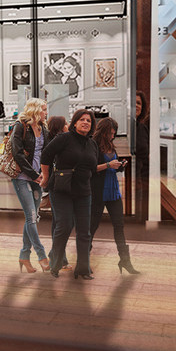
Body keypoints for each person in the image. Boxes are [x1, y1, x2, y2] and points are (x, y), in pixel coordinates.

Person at [43, 108, 98, 278]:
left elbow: (93, 168)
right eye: (82, 119)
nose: (85, 122)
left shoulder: (92, 144)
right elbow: (46, 154)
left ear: (92, 125)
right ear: (74, 122)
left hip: (83, 191)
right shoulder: (64, 138)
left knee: (84, 231)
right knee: (65, 225)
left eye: (88, 120)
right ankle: (55, 263)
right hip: (62, 190)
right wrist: (46, 177)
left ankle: (83, 269)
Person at [7, 99, 49, 272]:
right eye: (44, 109)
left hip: (38, 177)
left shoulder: (43, 129)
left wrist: (44, 175)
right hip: (23, 177)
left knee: (32, 217)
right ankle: (41, 255)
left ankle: (24, 255)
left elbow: (46, 153)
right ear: (36, 110)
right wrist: (34, 175)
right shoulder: (20, 126)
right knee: (31, 217)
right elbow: (17, 154)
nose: (46, 112)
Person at [92, 117, 136, 274]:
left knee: (119, 226)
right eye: (110, 133)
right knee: (92, 227)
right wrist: (109, 165)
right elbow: (90, 168)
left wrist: (119, 166)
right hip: (98, 192)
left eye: (114, 133)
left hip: (113, 192)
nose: (112, 136)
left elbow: (112, 167)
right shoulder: (93, 145)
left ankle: (125, 261)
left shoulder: (110, 145)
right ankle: (84, 261)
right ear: (103, 132)